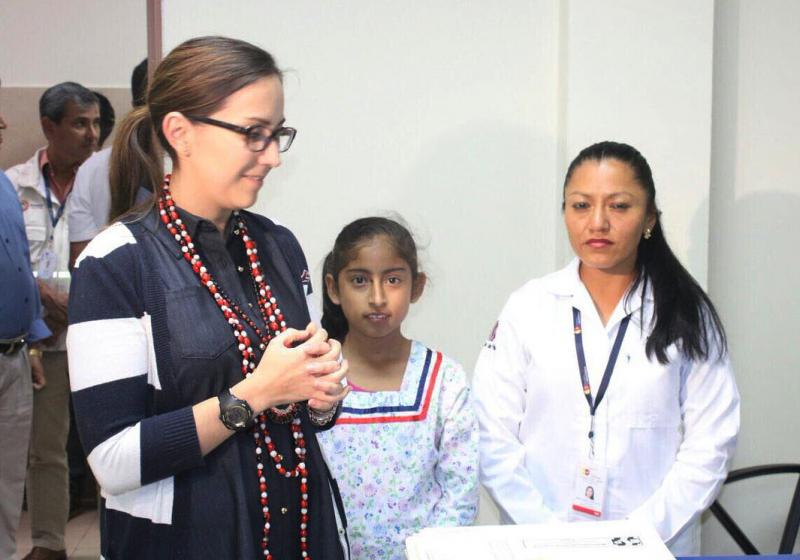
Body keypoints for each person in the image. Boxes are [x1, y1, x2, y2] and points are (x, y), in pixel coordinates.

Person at [67, 36, 350, 559]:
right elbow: (112, 460)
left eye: (277, 134)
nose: (272, 157)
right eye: (253, 134)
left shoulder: (278, 244)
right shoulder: (115, 262)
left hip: (298, 534)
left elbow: (305, 396)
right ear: (180, 132)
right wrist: (253, 395)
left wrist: (323, 392)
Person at [472, 141, 740, 556]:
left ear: (649, 217)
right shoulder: (529, 307)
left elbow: (711, 443)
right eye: (581, 206)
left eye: (619, 206)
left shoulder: (685, 312)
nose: (597, 222)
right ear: (564, 212)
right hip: (539, 544)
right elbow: (492, 433)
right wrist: (547, 534)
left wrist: (633, 538)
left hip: (656, 545)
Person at [317, 217, 479, 560]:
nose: (377, 297)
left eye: (392, 280)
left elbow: (460, 492)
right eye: (359, 280)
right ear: (334, 288)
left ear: (416, 287)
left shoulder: (444, 381)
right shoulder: (314, 379)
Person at [5, 81, 99, 560]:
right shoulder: (14, 183)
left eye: (97, 124)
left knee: (111, 440)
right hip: (42, 338)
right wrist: (44, 300)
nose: (91, 134)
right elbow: (13, 259)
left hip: (96, 332)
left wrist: (80, 306)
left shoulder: (103, 183)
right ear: (49, 126)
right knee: (46, 448)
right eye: (79, 123)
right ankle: (48, 544)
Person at [0, 76, 51, 560]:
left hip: (14, 355)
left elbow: (19, 266)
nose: (1, 121)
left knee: (8, 480)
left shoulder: (3, 185)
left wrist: (33, 341)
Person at [68, 58, 148, 268]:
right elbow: (81, 258)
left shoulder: (92, 169)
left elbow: (81, 260)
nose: (92, 134)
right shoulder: (93, 169)